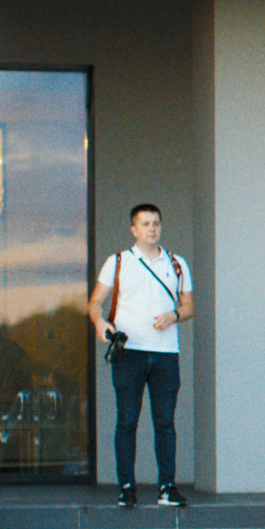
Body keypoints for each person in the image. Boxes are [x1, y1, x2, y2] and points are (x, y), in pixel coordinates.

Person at [87, 203, 196, 509]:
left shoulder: (177, 264)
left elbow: (189, 307)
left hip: (165, 354)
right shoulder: (118, 262)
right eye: (145, 223)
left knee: (165, 422)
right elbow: (95, 301)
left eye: (156, 223)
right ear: (133, 229)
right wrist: (100, 323)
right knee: (127, 420)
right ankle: (126, 486)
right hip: (129, 352)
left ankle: (167, 486)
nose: (152, 228)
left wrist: (174, 315)